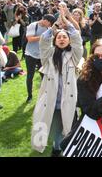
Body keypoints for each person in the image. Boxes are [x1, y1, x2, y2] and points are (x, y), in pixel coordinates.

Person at [31, 9, 83, 156]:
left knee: (66, 126)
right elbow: (43, 41)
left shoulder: (74, 56)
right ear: (55, 40)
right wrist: (55, 26)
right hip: (51, 100)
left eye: (64, 37)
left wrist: (68, 24)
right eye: (58, 37)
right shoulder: (48, 55)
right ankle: (56, 147)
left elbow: (78, 41)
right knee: (52, 126)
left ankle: (63, 149)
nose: (61, 39)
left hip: (68, 99)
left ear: (68, 40)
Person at [25, 14, 57, 103]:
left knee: (44, 75)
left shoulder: (48, 28)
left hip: (42, 55)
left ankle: (45, 94)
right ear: (45, 20)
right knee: (30, 76)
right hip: (30, 54)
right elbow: (30, 39)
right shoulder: (33, 25)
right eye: (50, 23)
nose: (50, 26)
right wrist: (44, 36)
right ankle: (29, 96)